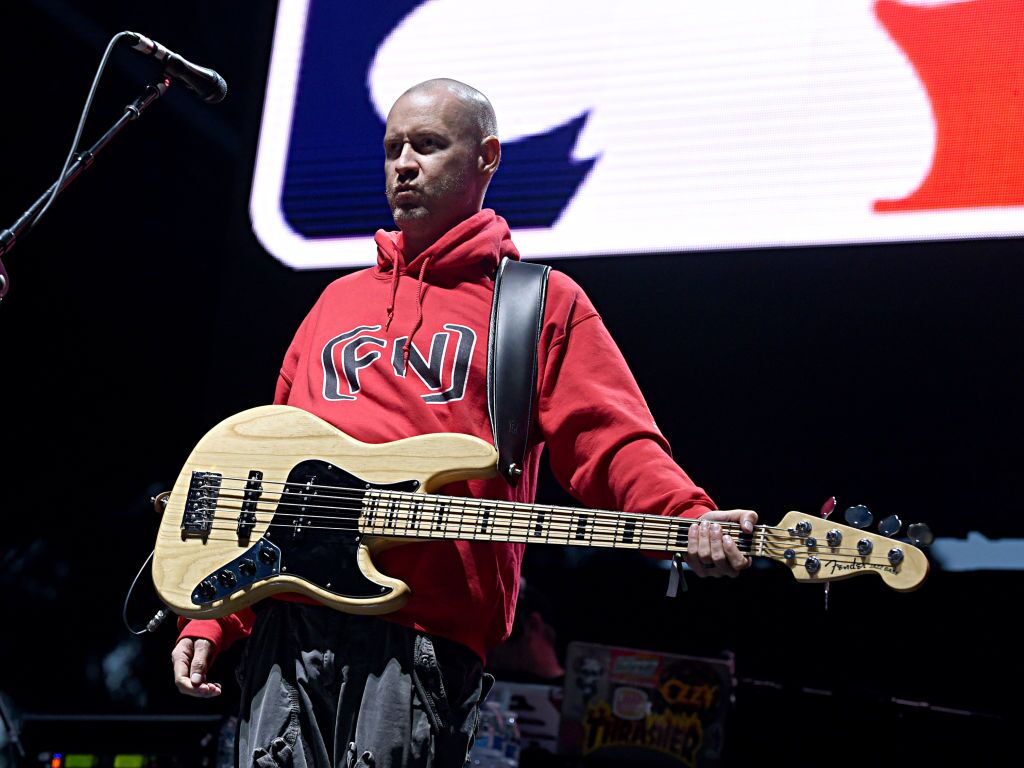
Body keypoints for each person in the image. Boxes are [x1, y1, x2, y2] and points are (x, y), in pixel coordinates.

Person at [170, 78, 757, 768]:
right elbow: (265, 472)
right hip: (291, 625)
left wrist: (687, 515)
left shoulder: (536, 304)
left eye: (427, 145)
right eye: (393, 148)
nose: (404, 164)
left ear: (487, 158)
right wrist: (217, 612)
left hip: (423, 638)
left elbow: (611, 440)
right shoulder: (336, 301)